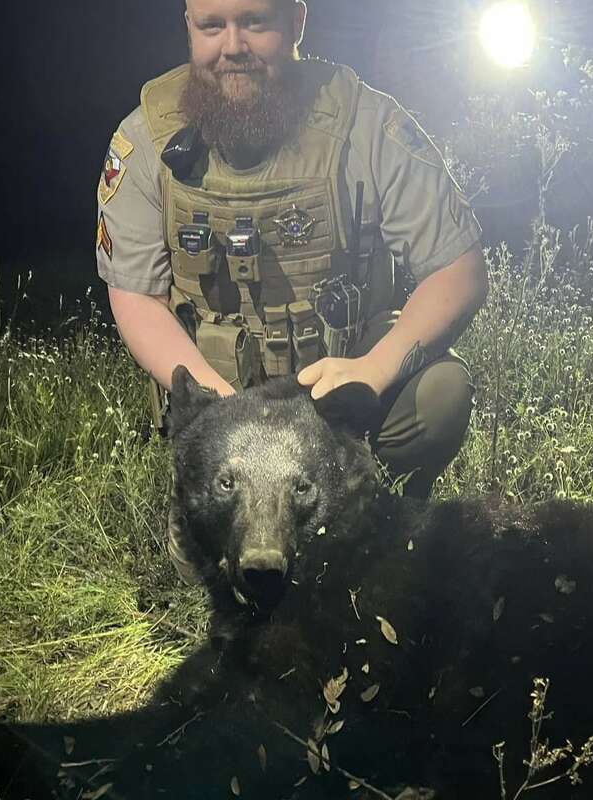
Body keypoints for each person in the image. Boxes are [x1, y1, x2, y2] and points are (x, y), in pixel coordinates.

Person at [96, 0, 489, 581]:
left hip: (338, 393)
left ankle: (375, 509)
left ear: (296, 23)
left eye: (255, 22)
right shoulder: (146, 138)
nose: (232, 46)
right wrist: (214, 405)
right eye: (211, 26)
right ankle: (212, 510)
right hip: (220, 390)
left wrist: (374, 371)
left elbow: (459, 271)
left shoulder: (366, 123)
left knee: (442, 394)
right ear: (189, 27)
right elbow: (134, 293)